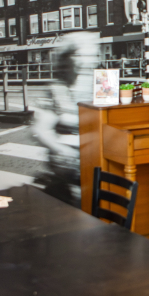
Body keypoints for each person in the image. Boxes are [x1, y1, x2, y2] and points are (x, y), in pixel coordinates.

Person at [31, 32, 100, 207]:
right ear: (66, 58)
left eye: (91, 55)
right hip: (69, 170)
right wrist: (62, 150)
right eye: (79, 55)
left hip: (97, 165)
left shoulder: (100, 86)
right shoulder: (56, 89)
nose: (85, 61)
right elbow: (40, 130)